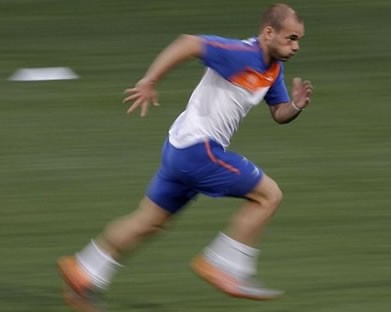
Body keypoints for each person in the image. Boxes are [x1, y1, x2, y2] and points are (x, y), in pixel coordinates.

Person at [57, 3, 313, 311]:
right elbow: (188, 43)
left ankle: (84, 270)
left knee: (149, 222)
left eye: (298, 40)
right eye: (291, 38)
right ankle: (226, 265)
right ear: (268, 33)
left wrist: (295, 106)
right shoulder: (239, 53)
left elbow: (279, 113)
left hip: (180, 149)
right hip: (198, 149)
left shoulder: (273, 69)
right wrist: (150, 80)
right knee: (269, 195)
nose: (296, 46)